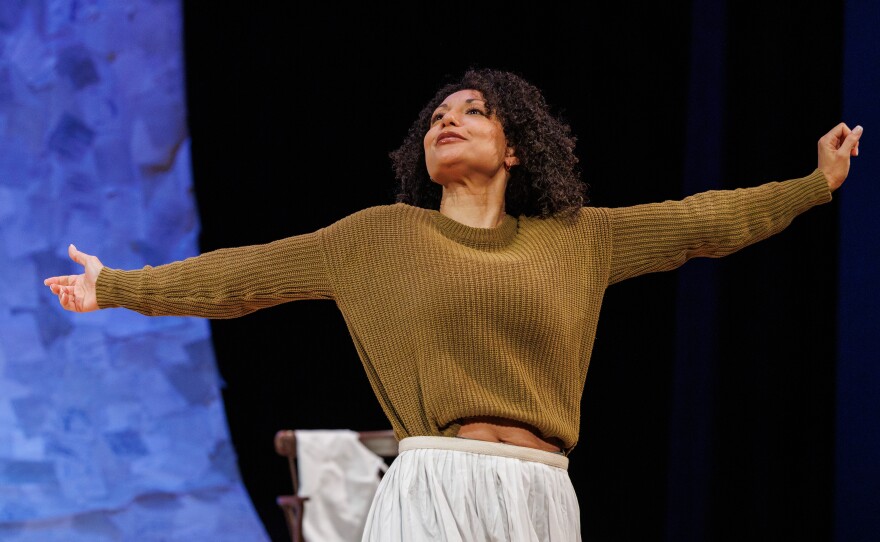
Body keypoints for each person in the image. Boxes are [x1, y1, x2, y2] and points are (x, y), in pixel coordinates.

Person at [44, 68, 862, 541]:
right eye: (438, 116)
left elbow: (699, 224)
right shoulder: (378, 238)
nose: (449, 120)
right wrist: (116, 287)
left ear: (516, 149)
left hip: (543, 491)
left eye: (473, 111)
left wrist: (811, 186)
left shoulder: (580, 239)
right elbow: (245, 277)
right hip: (434, 485)